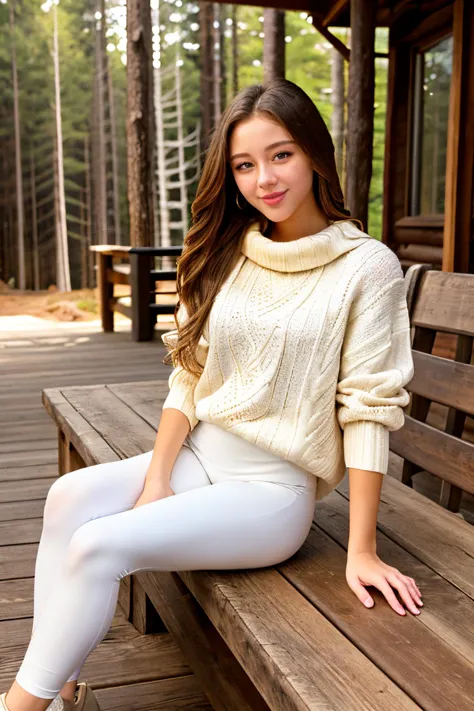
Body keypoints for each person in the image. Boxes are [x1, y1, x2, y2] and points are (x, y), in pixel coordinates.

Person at [1, 77, 423, 711]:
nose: (264, 180)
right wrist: (158, 478)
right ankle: (59, 693)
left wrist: (360, 548)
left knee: (99, 543)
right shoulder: (231, 251)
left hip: (269, 493)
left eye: (281, 155)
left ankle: (19, 707)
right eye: (244, 165)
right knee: (67, 497)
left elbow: (368, 408)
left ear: (314, 152)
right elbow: (190, 375)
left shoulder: (367, 266)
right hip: (200, 458)